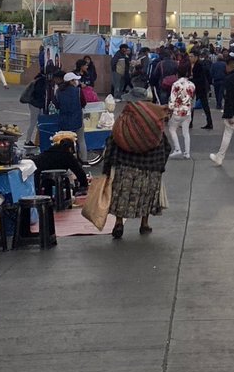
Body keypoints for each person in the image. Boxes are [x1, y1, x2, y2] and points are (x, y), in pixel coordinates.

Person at [102, 109, 171, 239]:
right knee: (147, 195)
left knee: (121, 195)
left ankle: (118, 223)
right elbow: (166, 147)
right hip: (149, 168)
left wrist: (107, 168)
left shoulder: (124, 122)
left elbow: (111, 143)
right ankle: (144, 223)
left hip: (125, 166)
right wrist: (160, 166)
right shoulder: (153, 125)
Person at [165, 62, 196, 160]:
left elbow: (173, 98)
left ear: (177, 74)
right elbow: (192, 97)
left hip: (177, 111)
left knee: (172, 129)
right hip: (187, 111)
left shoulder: (176, 84)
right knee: (186, 132)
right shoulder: (192, 84)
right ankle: (187, 153)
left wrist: (169, 107)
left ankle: (177, 149)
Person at [55, 72, 85, 159]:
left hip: (64, 121)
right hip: (77, 120)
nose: (76, 82)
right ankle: (84, 160)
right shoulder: (78, 91)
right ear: (71, 81)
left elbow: (57, 105)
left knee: (64, 142)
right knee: (81, 140)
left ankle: (65, 160)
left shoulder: (58, 91)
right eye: (75, 80)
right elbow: (83, 103)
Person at [23, 69, 49, 137]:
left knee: (37, 123)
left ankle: (37, 139)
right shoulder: (41, 81)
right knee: (33, 123)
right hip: (35, 104)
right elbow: (40, 94)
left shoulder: (39, 79)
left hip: (35, 104)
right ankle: (27, 141)